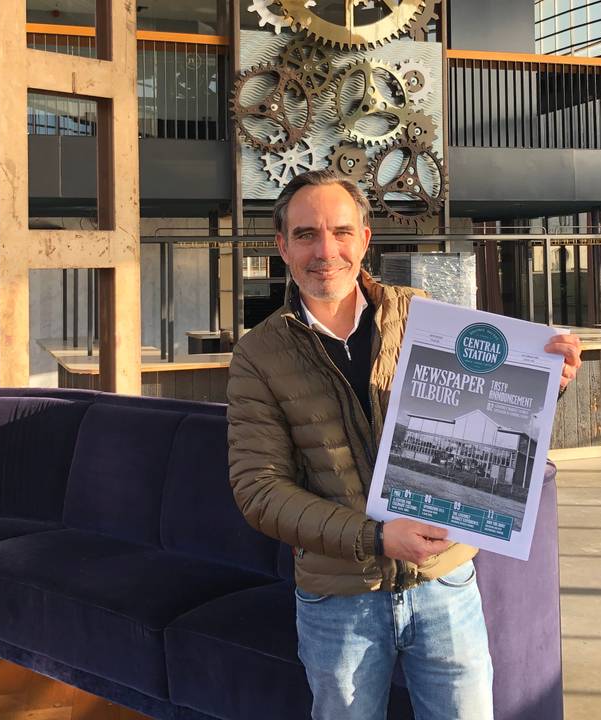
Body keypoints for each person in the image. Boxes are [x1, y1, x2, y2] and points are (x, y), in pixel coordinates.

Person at [226, 169, 582, 720]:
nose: (326, 251)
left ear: (365, 238)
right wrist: (375, 537)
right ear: (282, 246)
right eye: (306, 234)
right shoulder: (258, 354)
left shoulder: (420, 314)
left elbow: (481, 415)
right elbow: (260, 491)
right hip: (338, 597)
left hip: (445, 581)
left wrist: (540, 383)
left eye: (342, 232)